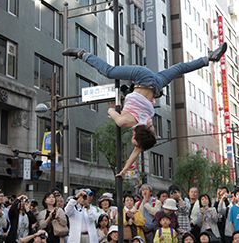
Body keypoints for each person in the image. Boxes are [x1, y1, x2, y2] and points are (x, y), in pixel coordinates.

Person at [62, 43, 228, 178]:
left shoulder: (148, 127)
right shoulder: (125, 122)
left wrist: (124, 171)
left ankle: (209, 58)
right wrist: (113, 109)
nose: (134, 146)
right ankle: (82, 53)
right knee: (109, 71)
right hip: (143, 77)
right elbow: (111, 112)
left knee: (179, 68)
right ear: (137, 136)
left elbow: (136, 154)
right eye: (136, 144)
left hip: (156, 85)